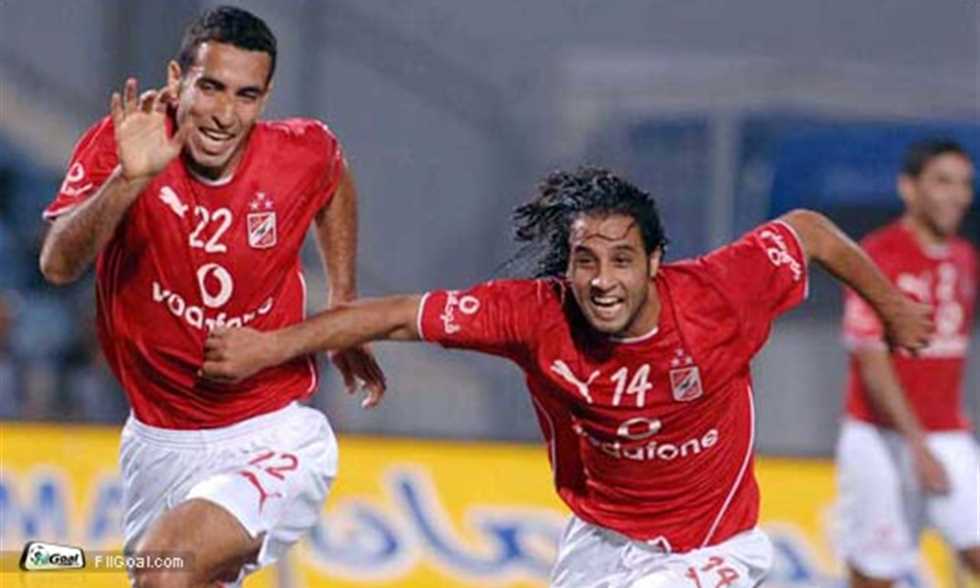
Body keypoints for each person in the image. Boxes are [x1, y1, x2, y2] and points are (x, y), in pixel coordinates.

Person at [201, 166, 932, 587]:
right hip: (599, 545)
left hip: (712, 551)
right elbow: (398, 315)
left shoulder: (718, 295)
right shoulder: (534, 315)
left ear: (655, 262)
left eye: (622, 260)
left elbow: (808, 231)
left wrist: (892, 305)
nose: (603, 280)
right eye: (587, 261)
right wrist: (270, 347)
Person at [38, 6, 385, 587]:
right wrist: (129, 180)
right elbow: (57, 264)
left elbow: (332, 174)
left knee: (168, 565)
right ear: (177, 80)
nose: (226, 114)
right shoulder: (126, 141)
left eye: (247, 96)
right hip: (157, 444)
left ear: (265, 98)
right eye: (211, 88)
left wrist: (342, 300)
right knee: (165, 575)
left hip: (271, 431)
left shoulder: (299, 151)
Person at [837, 139, 978, 587]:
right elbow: (871, 361)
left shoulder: (965, 258)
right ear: (909, 188)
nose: (957, 195)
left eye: (965, 184)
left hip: (946, 434)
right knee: (874, 576)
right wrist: (917, 445)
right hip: (879, 435)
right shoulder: (878, 255)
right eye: (943, 182)